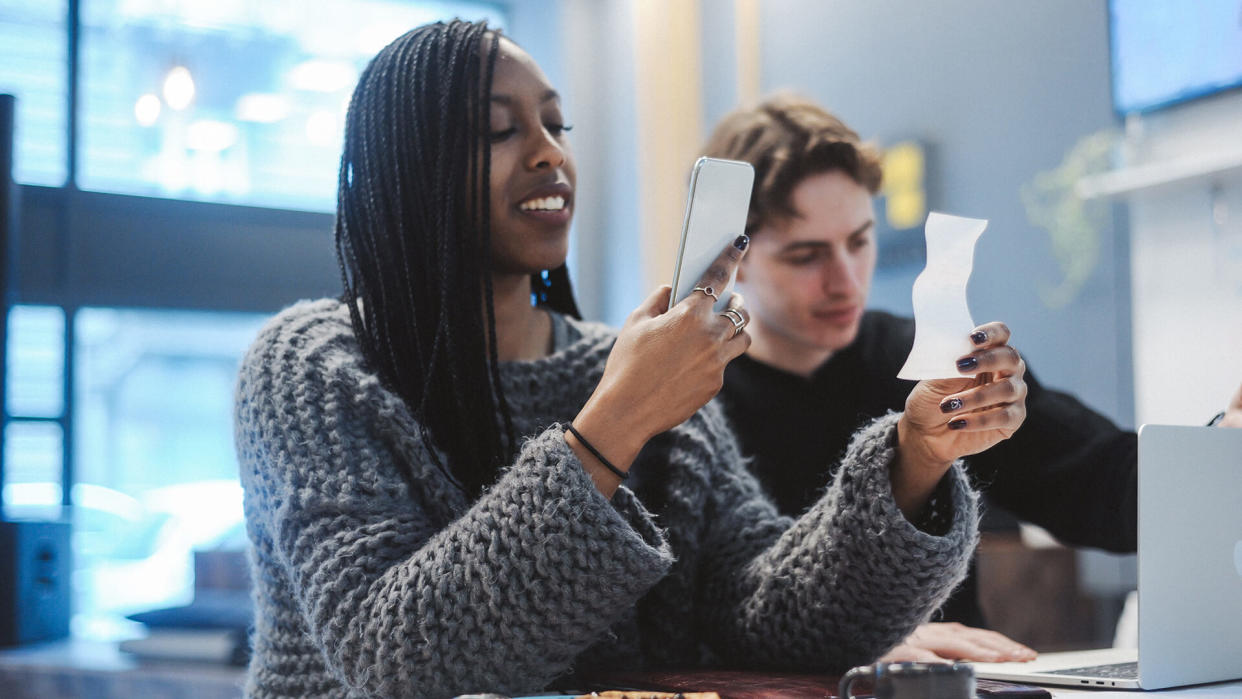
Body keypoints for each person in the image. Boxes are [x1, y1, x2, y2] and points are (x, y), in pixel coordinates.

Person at [234, 23, 1031, 698]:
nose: (550, 154)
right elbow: (393, 654)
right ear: (403, 168)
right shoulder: (315, 365)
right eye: (501, 130)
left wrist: (914, 459)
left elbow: (770, 611)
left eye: (556, 126)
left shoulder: (611, 363)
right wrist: (617, 420)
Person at [700, 94, 1242, 663]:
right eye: (806, 256)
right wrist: (854, 639)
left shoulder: (932, 362)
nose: (846, 280)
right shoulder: (692, 397)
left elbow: (1101, 486)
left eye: (860, 241)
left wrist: (1220, 446)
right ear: (734, 258)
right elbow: (697, 612)